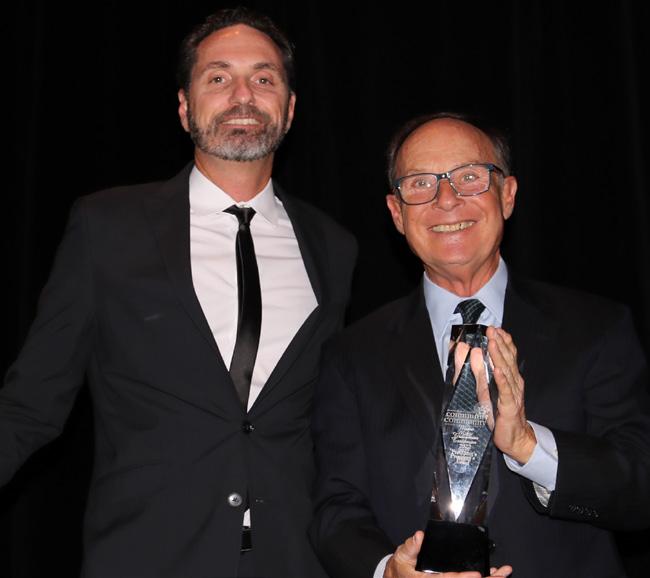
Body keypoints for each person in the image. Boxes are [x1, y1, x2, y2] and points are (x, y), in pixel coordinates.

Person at [1, 7, 356, 578]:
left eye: (264, 78)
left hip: (293, 560)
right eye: (218, 77)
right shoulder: (106, 228)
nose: (243, 95)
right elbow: (30, 403)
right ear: (185, 107)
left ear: (290, 109)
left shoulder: (334, 247)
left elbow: (334, 426)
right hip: (148, 558)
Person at [309, 112, 650, 578]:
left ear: (507, 195)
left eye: (469, 177)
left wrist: (528, 445)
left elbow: (640, 489)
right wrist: (387, 570)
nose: (447, 199)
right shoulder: (351, 354)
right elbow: (335, 510)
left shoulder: (596, 328)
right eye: (421, 183)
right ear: (397, 212)